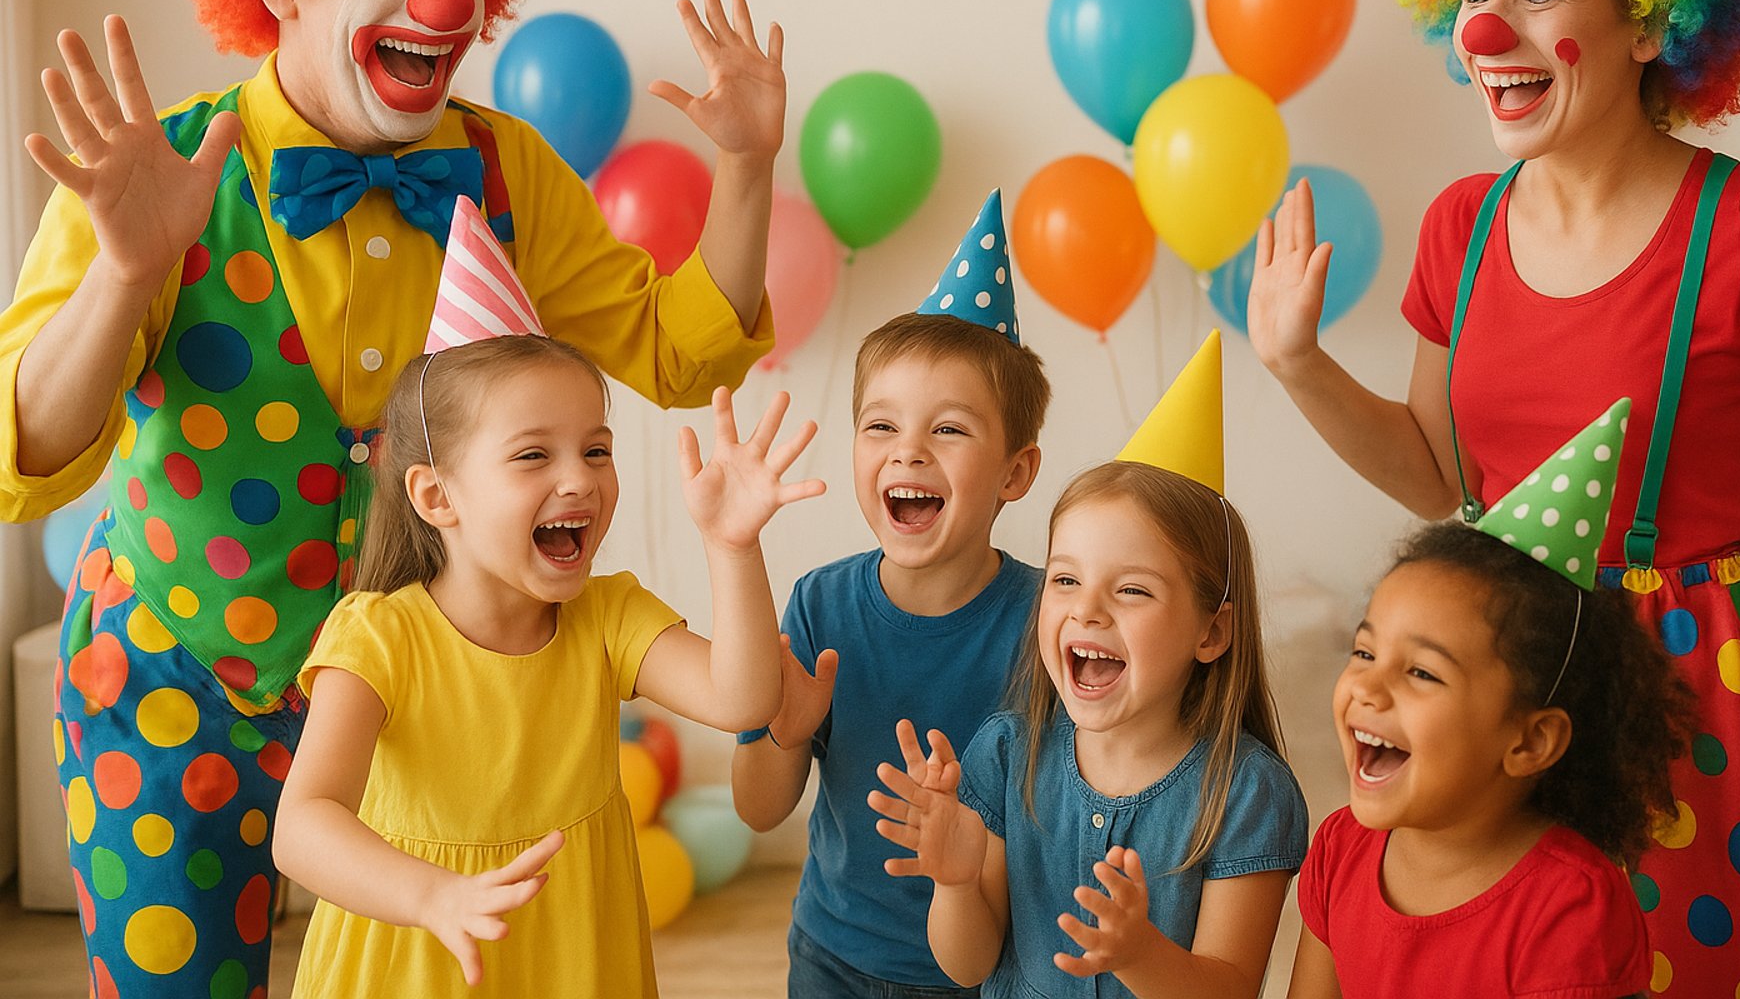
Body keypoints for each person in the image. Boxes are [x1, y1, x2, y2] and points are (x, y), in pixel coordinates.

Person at [4, 0, 784, 994]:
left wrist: (746, 174)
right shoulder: (160, 174)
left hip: (423, 697)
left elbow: (679, 354)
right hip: (170, 681)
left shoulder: (507, 168)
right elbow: (26, 461)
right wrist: (125, 275)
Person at [1248, 0, 1740, 994]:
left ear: (1655, 22)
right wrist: (1297, 364)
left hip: (1698, 694)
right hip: (1500, 680)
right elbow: (1439, 473)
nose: (1487, 31)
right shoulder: (1463, 224)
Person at [274, 198, 821, 996]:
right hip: (414, 966)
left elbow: (743, 700)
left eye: (596, 448)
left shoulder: (606, 618)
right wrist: (435, 897)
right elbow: (302, 827)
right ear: (436, 496)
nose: (581, 478)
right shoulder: (379, 638)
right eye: (533, 454)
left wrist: (732, 545)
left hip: (570, 964)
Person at [872, 334, 1307, 998]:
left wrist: (1140, 954)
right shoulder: (1006, 752)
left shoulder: (1247, 793)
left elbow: (1231, 988)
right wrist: (956, 884)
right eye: (1065, 580)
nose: (1088, 611)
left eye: (1131, 590)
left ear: (1212, 630)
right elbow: (968, 965)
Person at [732, 192, 1050, 996]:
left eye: (947, 429)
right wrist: (783, 733)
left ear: (1016, 472)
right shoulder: (819, 606)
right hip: (834, 955)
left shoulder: (1049, 621)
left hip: (989, 969)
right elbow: (759, 812)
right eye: (881, 427)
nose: (907, 452)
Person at [1288, 400, 1692, 997]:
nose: (1368, 688)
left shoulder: (1569, 909)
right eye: (1365, 652)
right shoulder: (1338, 850)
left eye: (1422, 673)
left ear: (1529, 740)